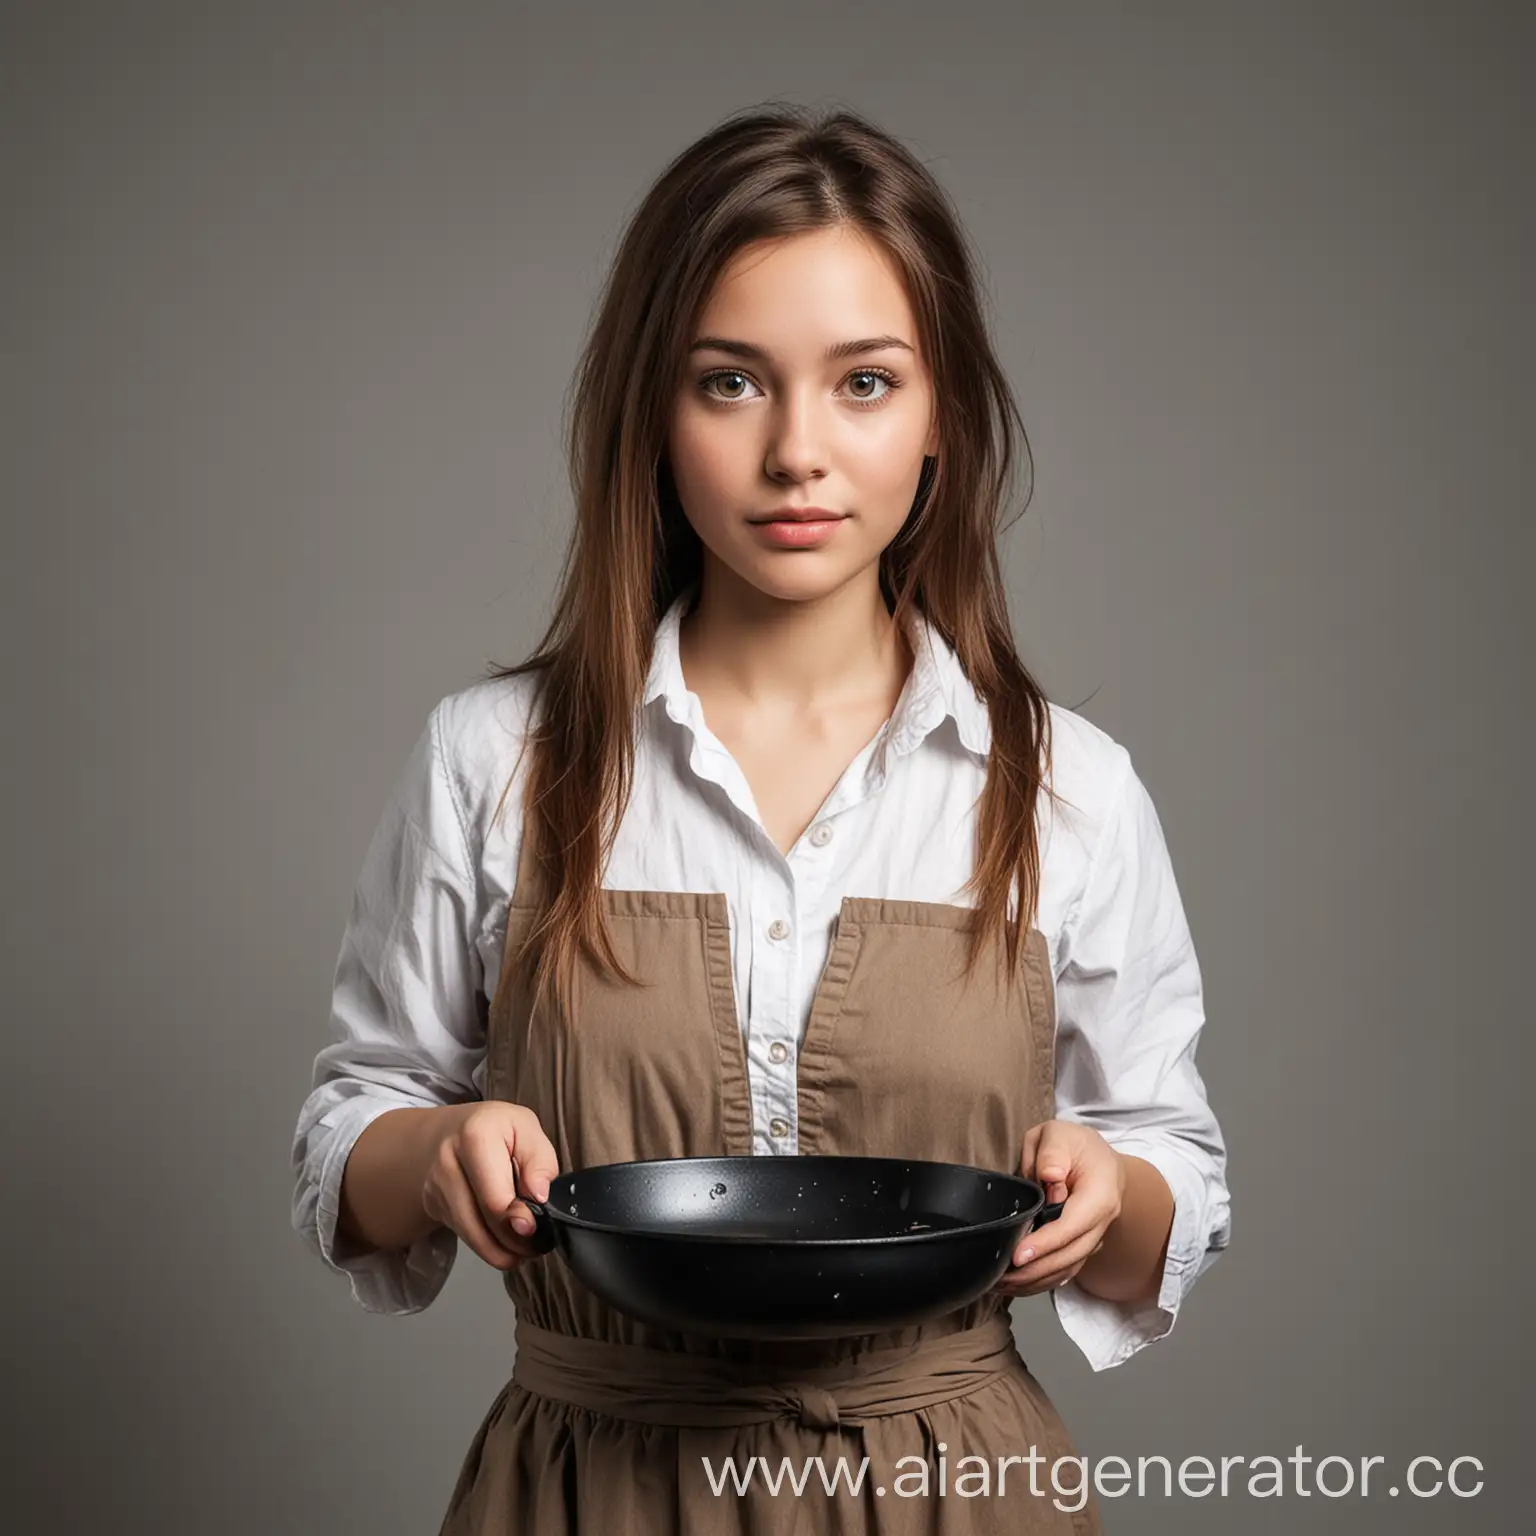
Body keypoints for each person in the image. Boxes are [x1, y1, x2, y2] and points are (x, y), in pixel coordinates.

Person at [290, 102, 1231, 1535]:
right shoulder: (493, 760)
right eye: (731, 384)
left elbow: (1173, 1172)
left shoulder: (1067, 788)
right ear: (653, 414)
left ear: (942, 417)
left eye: (865, 383)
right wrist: (434, 1155)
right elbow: (352, 1124)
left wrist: (1115, 1190)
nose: (799, 451)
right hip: (593, 1487)